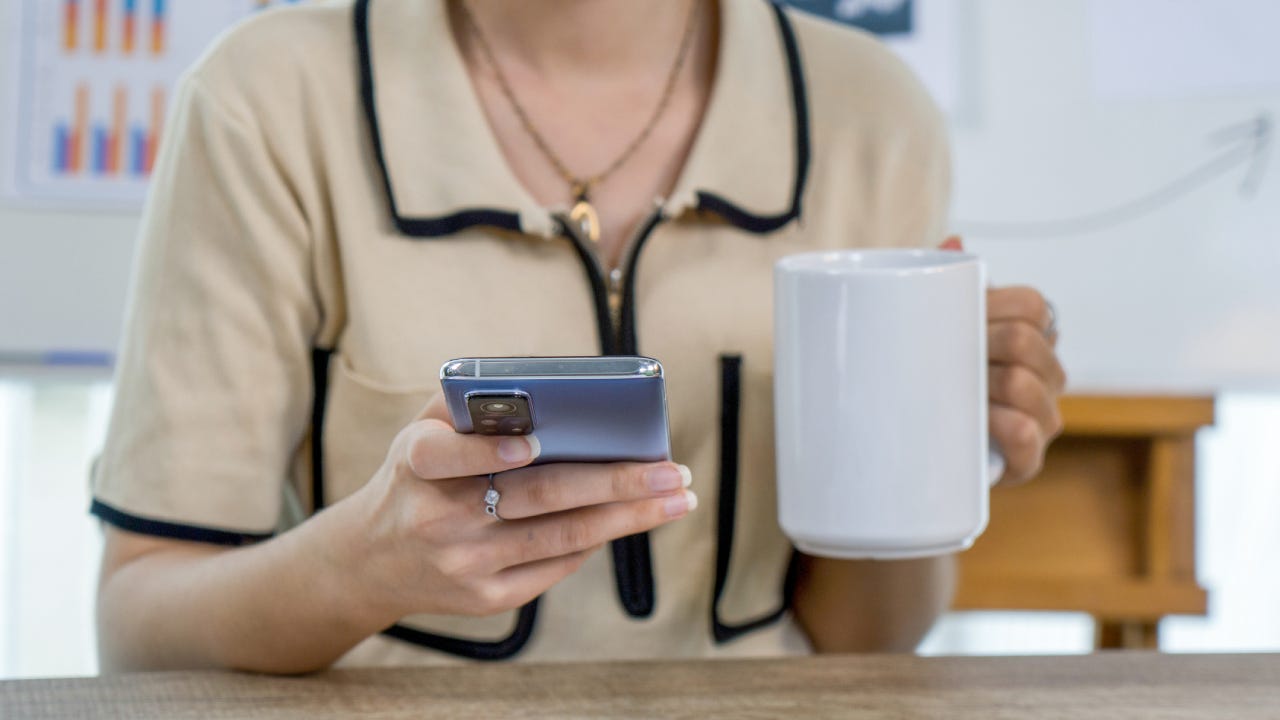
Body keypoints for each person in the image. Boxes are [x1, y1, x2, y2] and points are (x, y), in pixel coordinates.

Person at [91, 0, 1065, 673]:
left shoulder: (871, 115)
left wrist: (927, 448)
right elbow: (140, 630)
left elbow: (865, 645)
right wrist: (356, 569)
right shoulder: (266, 97)